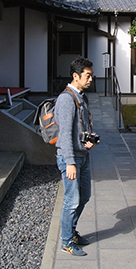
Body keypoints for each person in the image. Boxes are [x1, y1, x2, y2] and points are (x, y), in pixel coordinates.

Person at [54, 57, 96, 256]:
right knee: (72, 200)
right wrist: (70, 162)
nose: (90, 79)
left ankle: (72, 231)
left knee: (84, 196)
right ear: (75, 76)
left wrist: (89, 141)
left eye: (91, 75)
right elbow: (64, 134)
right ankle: (66, 240)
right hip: (70, 158)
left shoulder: (81, 96)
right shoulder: (66, 99)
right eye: (87, 76)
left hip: (83, 155)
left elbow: (80, 127)